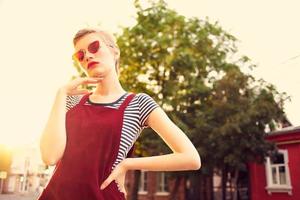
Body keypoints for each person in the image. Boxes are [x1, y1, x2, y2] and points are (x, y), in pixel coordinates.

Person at [38, 28, 201, 200]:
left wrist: (128, 164)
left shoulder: (138, 104)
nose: (87, 56)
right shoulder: (72, 101)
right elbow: (50, 156)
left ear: (114, 51)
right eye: (80, 55)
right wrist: (61, 93)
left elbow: (191, 158)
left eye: (94, 47)